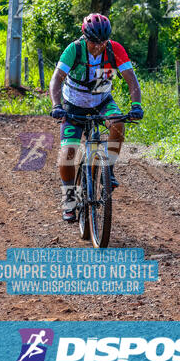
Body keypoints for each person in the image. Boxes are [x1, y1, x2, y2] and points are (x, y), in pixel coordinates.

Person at [49, 13, 143, 222]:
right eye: (93, 42)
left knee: (118, 122)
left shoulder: (114, 49)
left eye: (102, 42)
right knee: (68, 153)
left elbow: (131, 80)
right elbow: (56, 79)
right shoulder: (75, 49)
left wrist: (136, 105)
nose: (97, 46)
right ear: (85, 37)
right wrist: (56, 106)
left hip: (101, 101)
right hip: (73, 104)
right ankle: (70, 199)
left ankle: (108, 169)